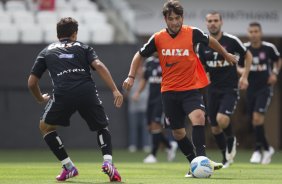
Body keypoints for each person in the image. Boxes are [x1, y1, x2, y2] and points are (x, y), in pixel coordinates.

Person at [123, 0, 238, 177]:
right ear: (165, 19)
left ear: (182, 17)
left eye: (178, 18)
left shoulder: (193, 33)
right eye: (171, 18)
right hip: (169, 91)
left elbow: (211, 41)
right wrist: (131, 76)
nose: (175, 22)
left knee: (199, 117)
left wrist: (225, 54)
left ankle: (202, 160)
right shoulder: (158, 38)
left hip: (191, 89)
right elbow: (139, 54)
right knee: (178, 132)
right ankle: (194, 164)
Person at [27, 17, 123, 182]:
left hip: (63, 93)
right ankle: (108, 163)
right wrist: (115, 90)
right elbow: (99, 65)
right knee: (102, 126)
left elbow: (31, 82)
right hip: (86, 91)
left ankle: (68, 167)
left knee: (45, 127)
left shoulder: (46, 51)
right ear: (74, 34)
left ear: (58, 35)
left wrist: (39, 98)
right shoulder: (83, 47)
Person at [197, 11, 252, 168]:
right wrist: (204, 75)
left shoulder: (232, 41)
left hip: (230, 88)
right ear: (206, 24)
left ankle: (231, 139)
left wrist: (244, 76)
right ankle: (226, 158)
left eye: (215, 20)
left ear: (221, 23)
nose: (213, 23)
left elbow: (248, 56)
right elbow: (202, 66)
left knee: (222, 119)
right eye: (210, 21)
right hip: (212, 89)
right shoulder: (202, 44)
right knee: (214, 127)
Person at [244, 22, 281, 164]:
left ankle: (257, 150)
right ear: (248, 33)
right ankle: (267, 148)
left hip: (264, 89)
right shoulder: (245, 49)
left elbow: (278, 60)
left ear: (260, 33)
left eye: (256, 31)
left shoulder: (269, 48)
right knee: (254, 120)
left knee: (257, 118)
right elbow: (239, 67)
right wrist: (244, 75)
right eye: (251, 31)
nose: (254, 34)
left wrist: (275, 73)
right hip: (250, 89)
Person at [132, 54, 178, 163]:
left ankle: (153, 155)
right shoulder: (149, 62)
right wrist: (138, 92)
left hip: (163, 98)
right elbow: (145, 79)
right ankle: (170, 145)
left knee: (155, 125)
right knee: (150, 128)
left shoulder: (168, 60)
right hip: (151, 98)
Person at [127, 64, 151, 153]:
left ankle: (146, 145)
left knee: (146, 128)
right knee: (133, 128)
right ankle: (133, 145)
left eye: (141, 70)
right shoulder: (130, 81)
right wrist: (131, 95)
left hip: (145, 108)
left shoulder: (147, 81)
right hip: (133, 108)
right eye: (138, 70)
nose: (140, 72)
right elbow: (125, 94)